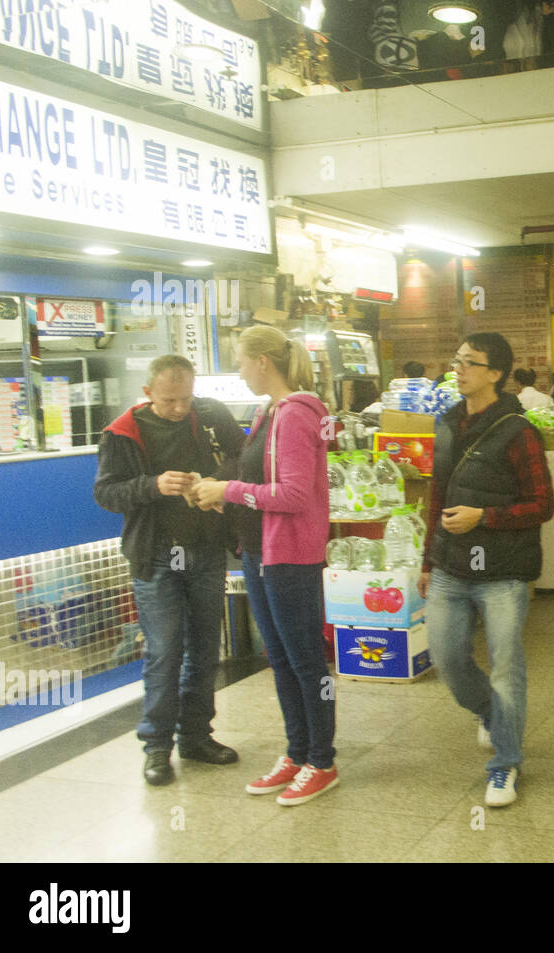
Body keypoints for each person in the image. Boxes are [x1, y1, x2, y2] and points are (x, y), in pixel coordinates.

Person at [193, 327, 336, 805]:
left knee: (305, 660)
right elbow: (260, 485)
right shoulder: (267, 413)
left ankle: (323, 759)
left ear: (263, 362)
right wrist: (222, 498)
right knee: (280, 660)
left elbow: (294, 495)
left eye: (239, 360)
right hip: (258, 553)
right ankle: (298, 753)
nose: (237, 369)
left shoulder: (296, 414)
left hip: (290, 557)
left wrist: (229, 491)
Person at [415, 332, 554, 808]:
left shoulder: (519, 430)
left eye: (470, 363)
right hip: (451, 567)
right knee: (448, 658)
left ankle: (505, 763)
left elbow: (543, 505)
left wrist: (484, 517)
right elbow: (437, 496)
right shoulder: (447, 421)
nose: (459, 370)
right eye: (456, 361)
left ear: (496, 373)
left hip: (504, 572)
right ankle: (492, 715)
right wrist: (428, 560)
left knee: (505, 667)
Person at [93, 355, 245, 786]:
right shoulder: (122, 432)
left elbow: (243, 460)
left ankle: (196, 737)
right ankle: (157, 748)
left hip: (206, 551)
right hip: (156, 555)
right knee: (163, 653)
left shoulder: (212, 415)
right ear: (147, 394)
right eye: (169, 400)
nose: (180, 407)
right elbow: (105, 493)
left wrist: (216, 483)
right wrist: (152, 485)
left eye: (186, 398)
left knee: (203, 649)